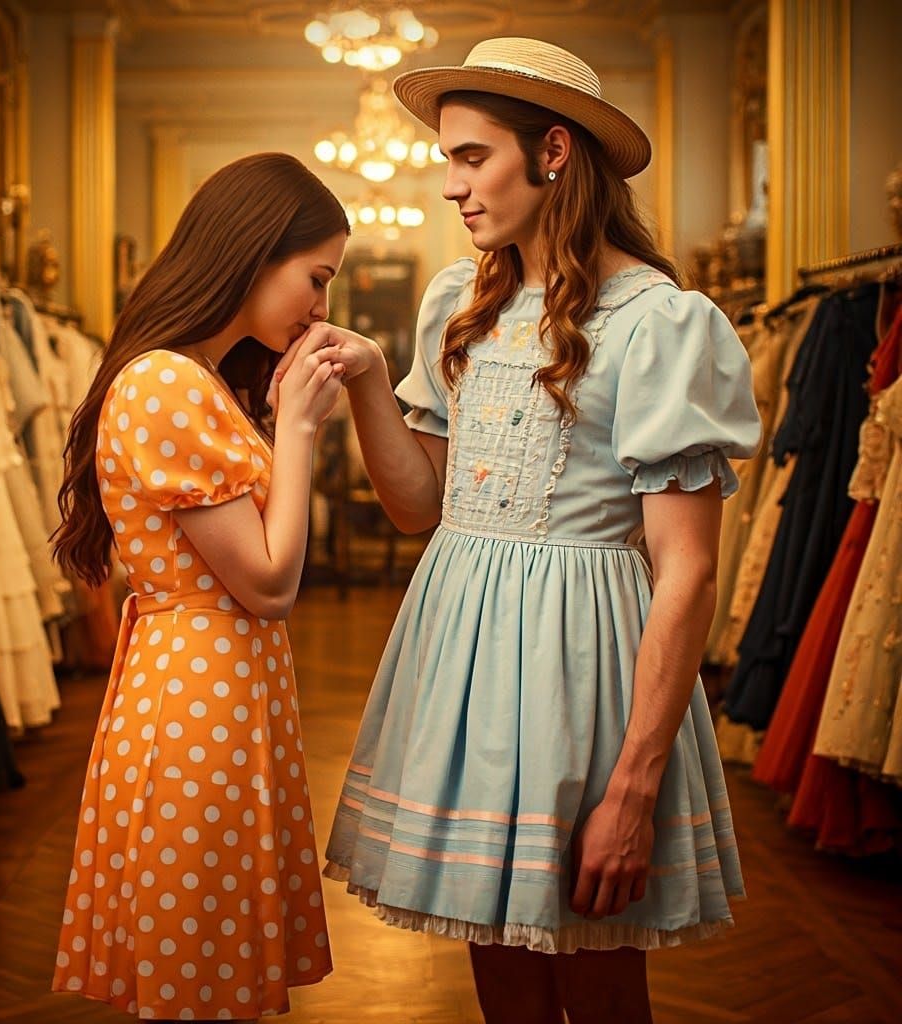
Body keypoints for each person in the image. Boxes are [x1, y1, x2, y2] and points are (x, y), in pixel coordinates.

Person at [275, 38, 762, 1024]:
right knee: (495, 954)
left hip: (582, 668)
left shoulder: (659, 322)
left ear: (551, 153)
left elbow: (686, 574)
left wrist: (631, 786)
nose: (449, 185)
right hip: (463, 666)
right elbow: (420, 508)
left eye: (469, 156)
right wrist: (370, 378)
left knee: (596, 966)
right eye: (445, 157)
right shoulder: (456, 300)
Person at [50, 152, 348, 1021]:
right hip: (201, 692)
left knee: (212, 962)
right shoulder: (168, 383)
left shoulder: (196, 380)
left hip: (214, 681)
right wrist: (296, 432)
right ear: (255, 253)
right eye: (316, 278)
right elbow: (266, 584)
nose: (321, 308)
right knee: (201, 972)